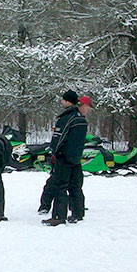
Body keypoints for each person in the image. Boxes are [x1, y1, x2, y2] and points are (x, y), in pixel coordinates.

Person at [39, 91, 90, 226]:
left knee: (59, 186)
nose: (61, 102)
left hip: (64, 158)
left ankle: (58, 216)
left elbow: (59, 138)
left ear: (68, 102)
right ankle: (77, 213)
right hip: (76, 158)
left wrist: (54, 152)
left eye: (63, 100)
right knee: (75, 186)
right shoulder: (81, 119)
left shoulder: (66, 118)